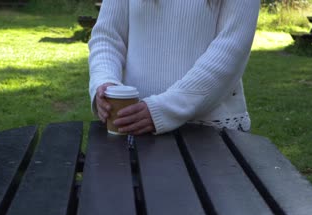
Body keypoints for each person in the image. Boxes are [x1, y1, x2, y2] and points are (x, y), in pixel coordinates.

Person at [89, 0, 260, 135]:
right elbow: (107, 36)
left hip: (207, 134)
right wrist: (105, 81)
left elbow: (231, 49)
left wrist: (165, 109)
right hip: (132, 125)